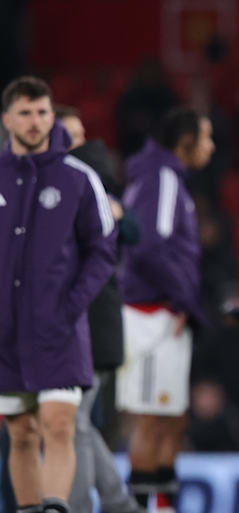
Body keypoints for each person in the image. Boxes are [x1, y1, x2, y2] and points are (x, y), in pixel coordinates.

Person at [0, 76, 118, 513]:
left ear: (53, 117)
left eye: (42, 112)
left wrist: (71, 305)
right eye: (26, 112)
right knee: (21, 432)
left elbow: (104, 248)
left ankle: (55, 507)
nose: (35, 122)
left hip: (60, 331)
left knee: (59, 424)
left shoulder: (78, 177)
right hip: (7, 333)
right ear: (7, 118)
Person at [117, 107, 214, 513]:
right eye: (206, 138)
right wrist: (181, 300)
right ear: (185, 141)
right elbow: (148, 245)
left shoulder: (166, 177)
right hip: (151, 315)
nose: (211, 147)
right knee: (150, 420)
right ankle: (142, 507)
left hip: (167, 314)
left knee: (171, 418)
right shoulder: (163, 177)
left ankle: (163, 505)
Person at [56, 106, 144, 513]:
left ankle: (96, 506)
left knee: (71, 424)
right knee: (75, 425)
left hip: (91, 324)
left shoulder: (89, 183)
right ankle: (119, 503)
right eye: (68, 135)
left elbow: (132, 230)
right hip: (82, 323)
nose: (78, 143)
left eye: (79, 134)